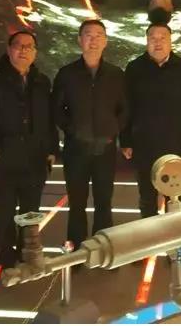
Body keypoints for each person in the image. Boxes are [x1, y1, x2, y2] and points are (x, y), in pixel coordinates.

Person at [0, 30, 58, 278]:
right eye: (18, 45)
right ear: (9, 49)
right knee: (5, 210)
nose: (24, 50)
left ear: (35, 52)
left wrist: (51, 149)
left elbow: (48, 119)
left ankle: (27, 252)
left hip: (35, 157)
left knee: (30, 210)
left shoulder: (41, 81)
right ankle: (7, 257)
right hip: (5, 159)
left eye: (29, 46)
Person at [52, 19, 128, 251]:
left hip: (105, 148)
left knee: (104, 201)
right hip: (76, 149)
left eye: (98, 35)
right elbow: (56, 109)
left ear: (105, 41)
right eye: (88, 35)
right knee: (76, 202)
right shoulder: (67, 74)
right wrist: (73, 130)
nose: (93, 40)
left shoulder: (116, 74)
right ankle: (76, 250)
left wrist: (113, 130)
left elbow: (125, 109)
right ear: (79, 40)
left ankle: (103, 249)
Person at [120, 23, 181, 218]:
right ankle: (149, 235)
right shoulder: (134, 68)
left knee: (175, 194)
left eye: (162, 38)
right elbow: (126, 106)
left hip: (174, 142)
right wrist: (125, 140)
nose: (158, 42)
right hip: (143, 143)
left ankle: (177, 235)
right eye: (153, 38)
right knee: (146, 197)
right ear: (146, 41)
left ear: (170, 41)